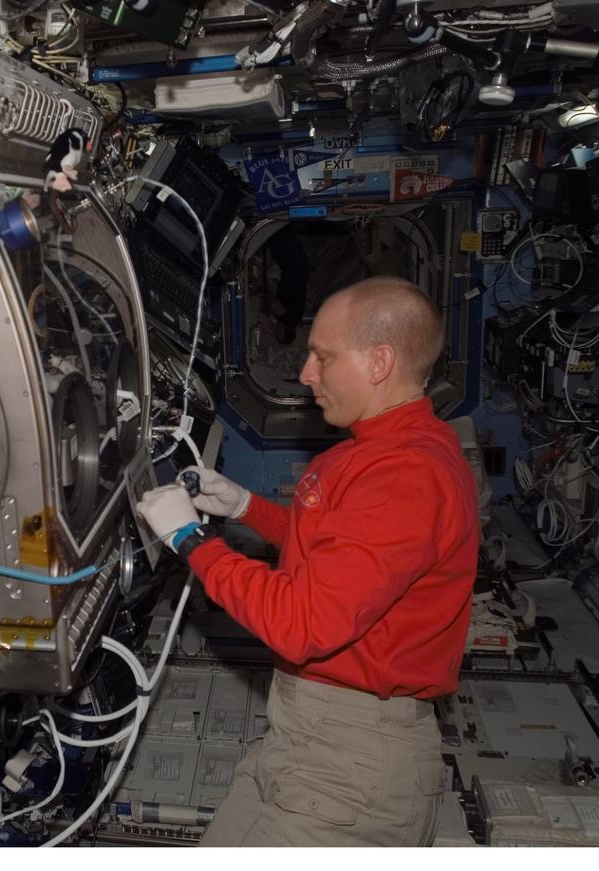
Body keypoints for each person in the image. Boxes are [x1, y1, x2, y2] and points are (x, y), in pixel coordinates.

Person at [136, 276, 479, 847]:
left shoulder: (406, 474)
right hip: (307, 738)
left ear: (379, 362)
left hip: (352, 767)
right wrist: (245, 507)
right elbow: (338, 546)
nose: (306, 374)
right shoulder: (379, 451)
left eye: (323, 357)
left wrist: (191, 540)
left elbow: (302, 623)